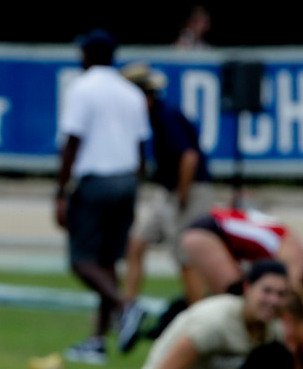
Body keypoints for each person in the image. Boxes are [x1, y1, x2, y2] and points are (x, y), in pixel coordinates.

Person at [55, 28, 151, 365]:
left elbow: (72, 143)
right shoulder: (132, 92)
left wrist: (61, 192)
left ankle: (126, 307)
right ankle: (98, 340)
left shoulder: (83, 88)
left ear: (88, 56)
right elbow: (141, 149)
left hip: (96, 179)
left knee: (82, 259)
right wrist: (134, 185)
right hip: (126, 179)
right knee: (108, 261)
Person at [118, 62, 215, 351]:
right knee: (136, 241)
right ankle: (129, 309)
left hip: (189, 191)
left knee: (187, 258)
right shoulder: (151, 117)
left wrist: (182, 195)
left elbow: (188, 157)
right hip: (170, 191)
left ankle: (200, 323)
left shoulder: (166, 116)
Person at [142, 259, 292, 369]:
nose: (274, 300)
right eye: (267, 291)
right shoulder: (215, 321)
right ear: (247, 288)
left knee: (278, 355)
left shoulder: (273, 329)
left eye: (281, 294)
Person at [180, 206, 303, 301]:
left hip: (210, 229)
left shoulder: (290, 243)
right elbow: (290, 294)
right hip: (206, 233)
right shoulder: (295, 258)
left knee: (240, 297)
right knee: (234, 297)